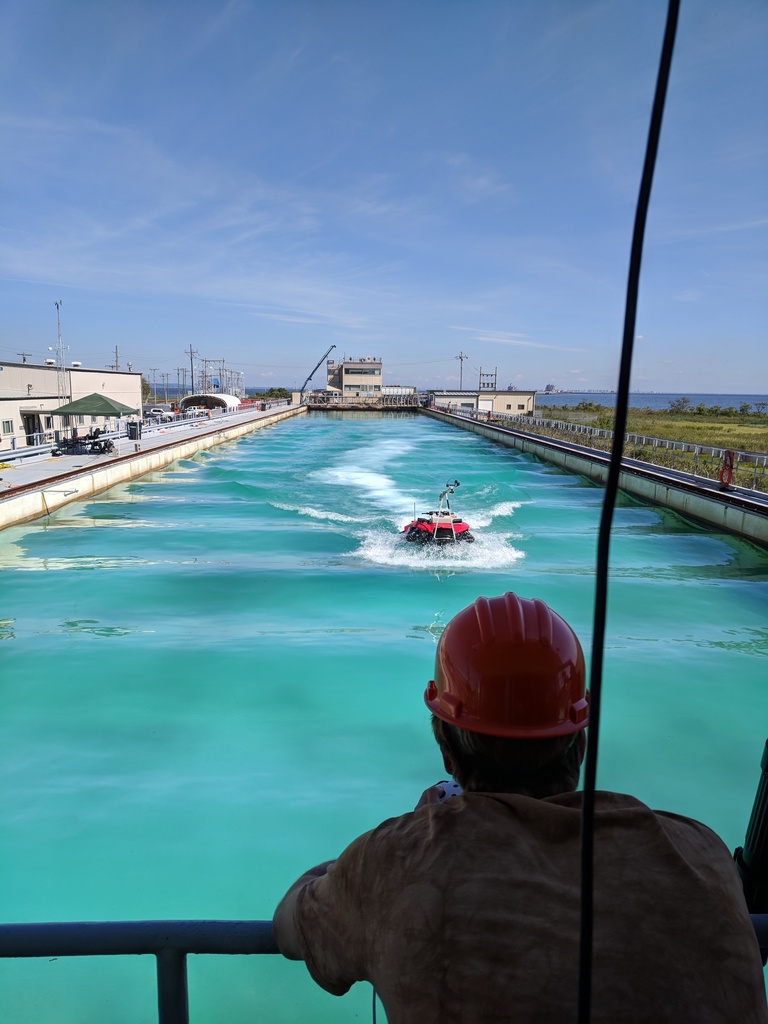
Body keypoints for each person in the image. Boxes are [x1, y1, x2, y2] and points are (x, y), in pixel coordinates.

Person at [273, 592, 767, 1022]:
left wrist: (400, 841)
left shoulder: (397, 865)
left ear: (445, 747)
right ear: (580, 745)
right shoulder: (702, 854)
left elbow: (288, 927)